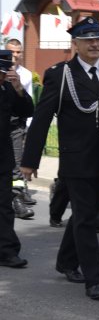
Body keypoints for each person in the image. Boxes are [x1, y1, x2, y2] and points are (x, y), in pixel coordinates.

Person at [21, 16, 99, 300]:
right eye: (87, 41)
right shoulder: (60, 74)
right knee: (87, 218)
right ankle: (94, 280)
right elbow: (41, 119)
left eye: (97, 39)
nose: (94, 45)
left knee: (84, 214)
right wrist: (30, 160)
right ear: (75, 43)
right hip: (76, 160)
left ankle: (65, 260)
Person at [0, 50, 35, 268]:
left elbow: (27, 111)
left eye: (5, 73)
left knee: (4, 206)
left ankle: (7, 251)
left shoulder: (8, 89)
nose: (3, 77)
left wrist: (20, 89)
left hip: (3, 158)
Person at [5, 38, 35, 217]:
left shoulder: (26, 75)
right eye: (11, 52)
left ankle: (17, 199)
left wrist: (28, 129)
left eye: (18, 52)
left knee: (16, 165)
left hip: (16, 126)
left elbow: (28, 104)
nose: (15, 56)